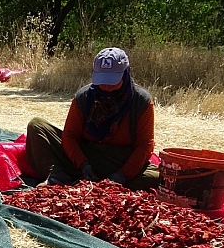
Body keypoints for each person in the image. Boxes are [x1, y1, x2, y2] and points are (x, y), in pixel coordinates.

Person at [25, 47, 159, 191]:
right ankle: (58, 175)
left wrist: (122, 175)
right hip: (87, 154)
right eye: (102, 81)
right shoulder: (84, 97)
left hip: (119, 160)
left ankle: (106, 180)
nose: (106, 87)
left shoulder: (141, 101)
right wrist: (83, 164)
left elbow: (145, 145)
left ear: (125, 74)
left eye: (112, 81)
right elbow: (70, 136)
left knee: (158, 178)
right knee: (36, 125)